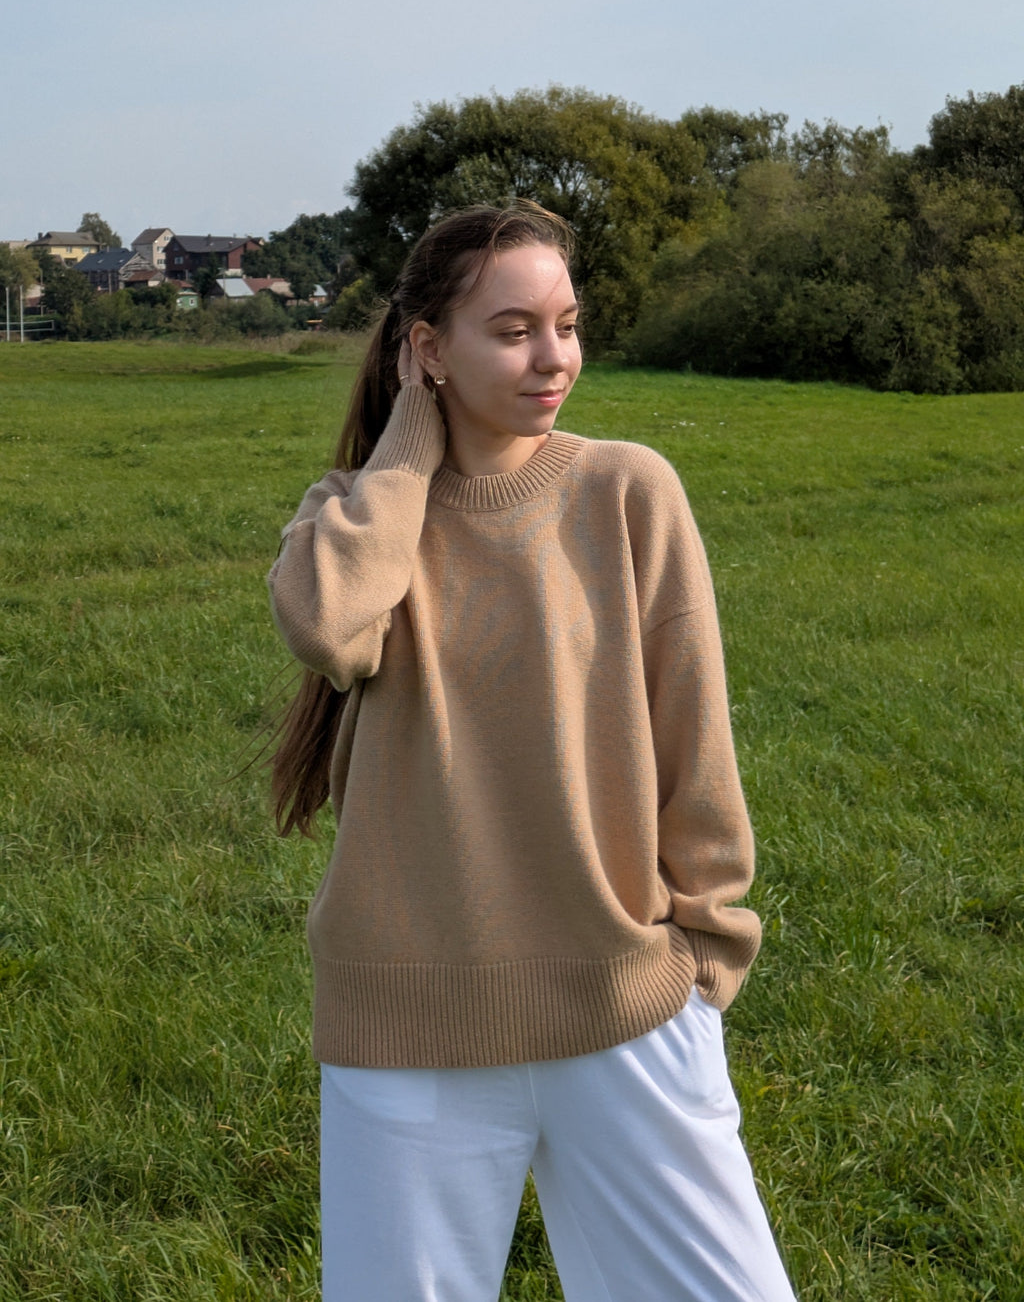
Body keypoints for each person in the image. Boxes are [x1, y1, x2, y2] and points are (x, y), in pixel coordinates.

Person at [267, 201, 796, 1302]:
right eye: (511, 331)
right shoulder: (351, 521)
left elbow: (693, 736)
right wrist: (410, 445)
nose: (553, 357)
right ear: (428, 348)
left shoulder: (626, 490)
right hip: (403, 1034)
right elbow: (328, 629)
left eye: (565, 323)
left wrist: (706, 953)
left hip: (623, 1005)